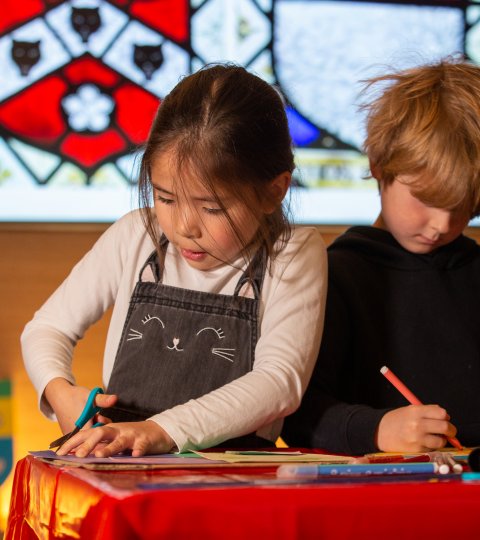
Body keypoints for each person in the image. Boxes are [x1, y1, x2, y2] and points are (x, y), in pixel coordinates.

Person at [21, 64, 327, 457]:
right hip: (123, 465)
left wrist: (159, 430)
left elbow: (279, 382)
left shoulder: (292, 253)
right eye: (165, 198)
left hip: (232, 478)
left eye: (212, 208)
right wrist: (59, 391)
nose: (184, 226)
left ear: (273, 192)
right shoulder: (136, 234)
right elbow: (46, 329)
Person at [282, 57, 480, 455]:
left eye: (462, 205)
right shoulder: (336, 276)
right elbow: (297, 416)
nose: (442, 224)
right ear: (378, 164)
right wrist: (376, 429)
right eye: (426, 199)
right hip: (381, 496)